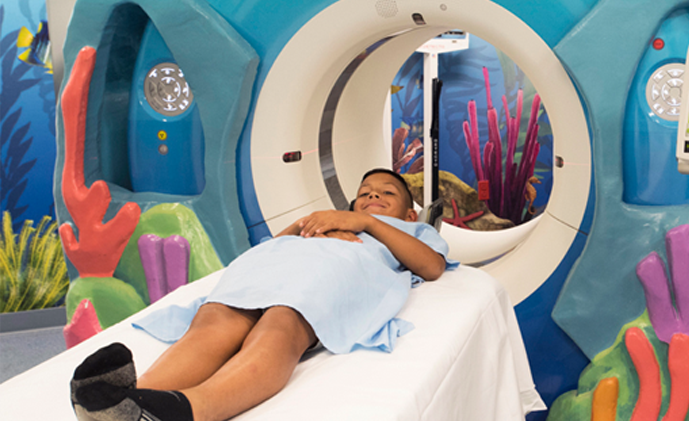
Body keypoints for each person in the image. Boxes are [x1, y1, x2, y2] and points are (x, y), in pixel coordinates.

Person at [70, 169, 454, 421]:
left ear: (408, 214)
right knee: (216, 318)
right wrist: (317, 225)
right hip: (277, 265)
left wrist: (365, 223)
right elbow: (273, 248)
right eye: (364, 194)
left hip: (335, 273)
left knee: (281, 322)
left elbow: (432, 267)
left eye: (387, 193)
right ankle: (129, 404)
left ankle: (187, 411)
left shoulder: (406, 231)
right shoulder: (327, 218)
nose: (373, 196)